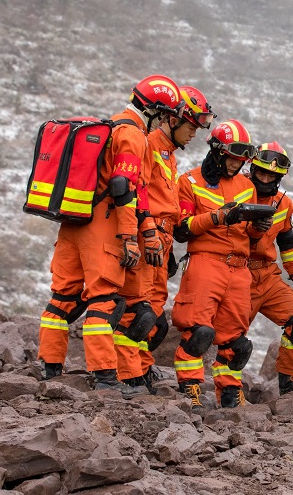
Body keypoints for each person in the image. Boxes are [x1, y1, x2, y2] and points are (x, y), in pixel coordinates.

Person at [37, 74, 185, 396]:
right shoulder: (133, 134)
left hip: (73, 224)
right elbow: (124, 187)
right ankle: (105, 378)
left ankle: (50, 369)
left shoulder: (109, 126)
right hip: (103, 226)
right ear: (156, 111)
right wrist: (130, 235)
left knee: (62, 298)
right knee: (105, 301)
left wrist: (145, 227)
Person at [113, 85, 215, 394]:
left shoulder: (168, 153)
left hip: (162, 240)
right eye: (192, 125)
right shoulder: (149, 145)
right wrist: (142, 234)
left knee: (155, 316)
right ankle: (126, 374)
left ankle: (141, 367)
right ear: (173, 119)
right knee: (136, 311)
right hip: (148, 236)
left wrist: (168, 249)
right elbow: (138, 194)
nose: (194, 133)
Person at [171, 119, 271, 408]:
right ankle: (190, 390)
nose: (235, 165)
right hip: (205, 262)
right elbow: (182, 229)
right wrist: (218, 216)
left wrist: (259, 227)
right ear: (216, 151)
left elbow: (249, 234)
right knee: (198, 332)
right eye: (231, 158)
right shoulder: (189, 181)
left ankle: (229, 394)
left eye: (240, 161)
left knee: (236, 341)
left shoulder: (246, 186)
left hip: (239, 268)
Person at [245, 141, 293, 395]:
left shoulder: (284, 204)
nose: (265, 179)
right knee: (231, 340)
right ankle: (227, 394)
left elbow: (287, 242)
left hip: (267, 275)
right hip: (237, 273)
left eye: (271, 175)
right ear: (252, 170)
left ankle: (289, 383)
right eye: (261, 172)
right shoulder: (238, 193)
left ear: (279, 177)